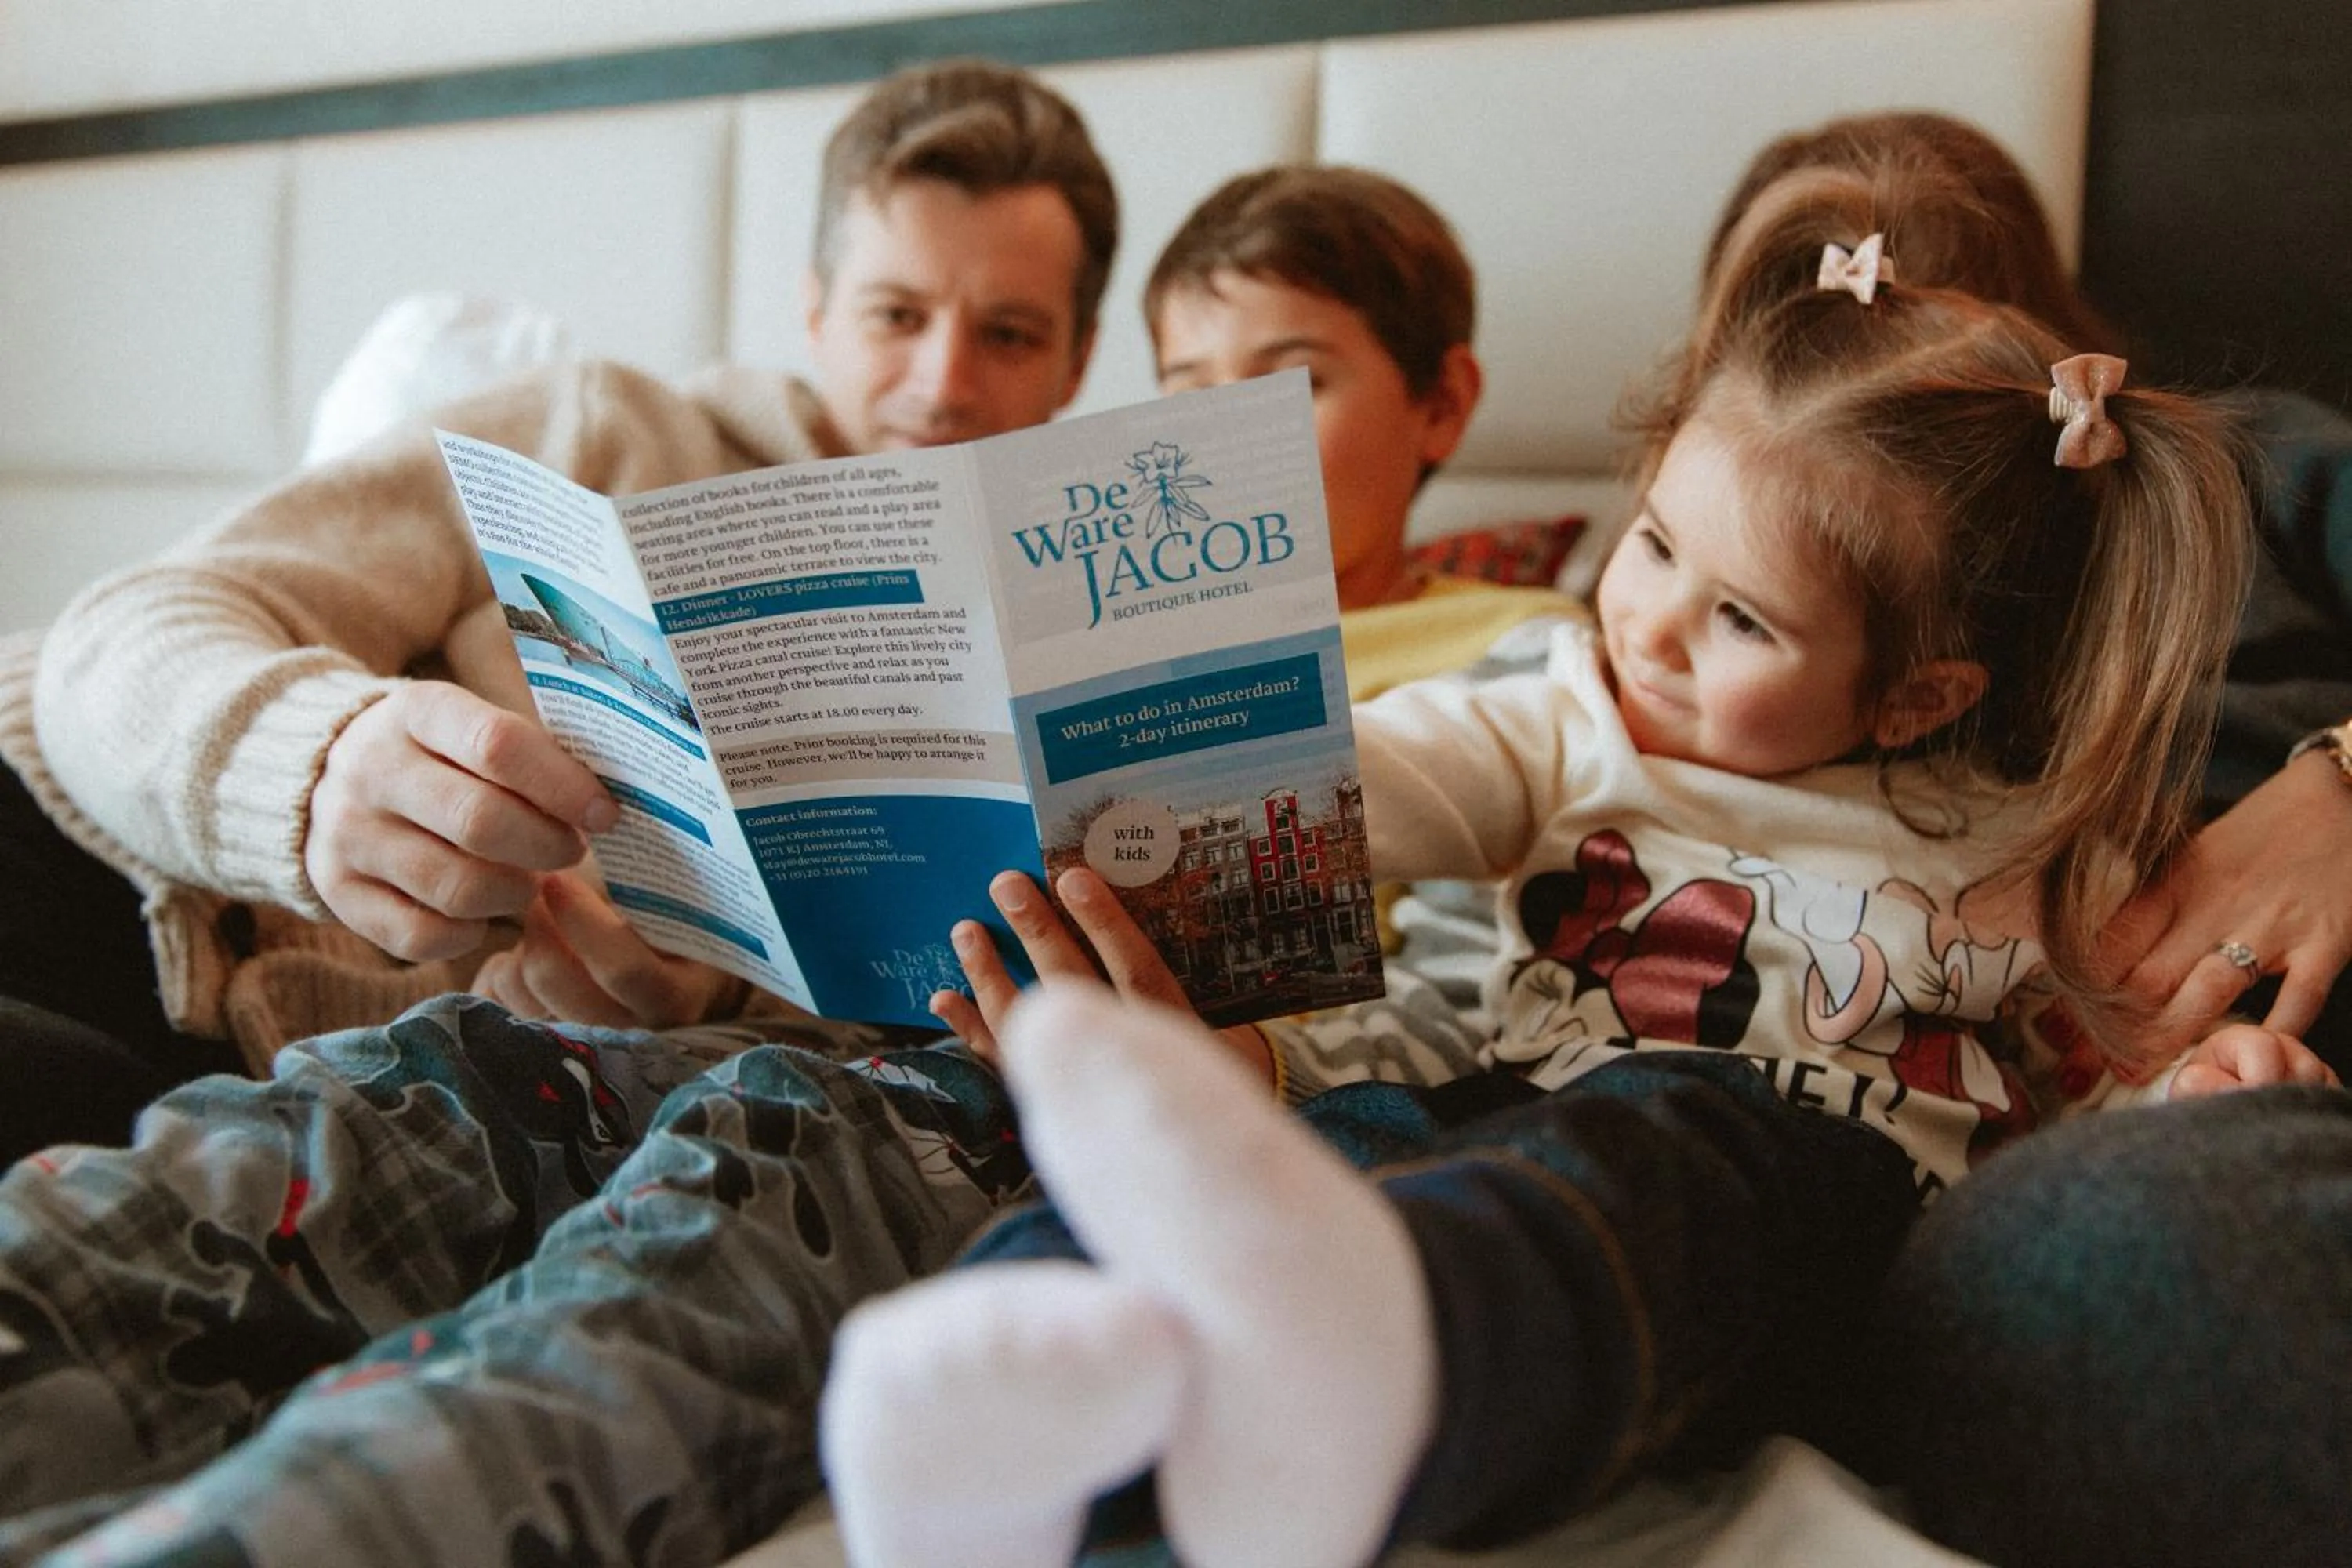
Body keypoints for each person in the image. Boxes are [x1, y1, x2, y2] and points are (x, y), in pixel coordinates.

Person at [815, 182, 2339, 1568]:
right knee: (1329, 1135)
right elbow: (1403, 773)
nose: (1655, 622)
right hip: (1504, 1104)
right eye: (1656, 540)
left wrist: (2212, 1084)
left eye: (1741, 615)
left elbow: (2100, 1068)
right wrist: (1129, 790)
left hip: (1808, 1194)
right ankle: (1003, 1396)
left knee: (1663, 1140)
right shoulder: (1574, 707)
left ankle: (1384, 1380)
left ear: (1919, 695)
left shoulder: (2029, 839)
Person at [0, 56, 1116, 1161]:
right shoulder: (608, 429)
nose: (944, 380)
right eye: (897, 313)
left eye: (1008, 334)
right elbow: (132, 625)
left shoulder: (1082, 651)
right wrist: (312, 766)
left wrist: (693, 995)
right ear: (816, 310)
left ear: (1078, 363)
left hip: (268, 1089)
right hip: (104, 855)